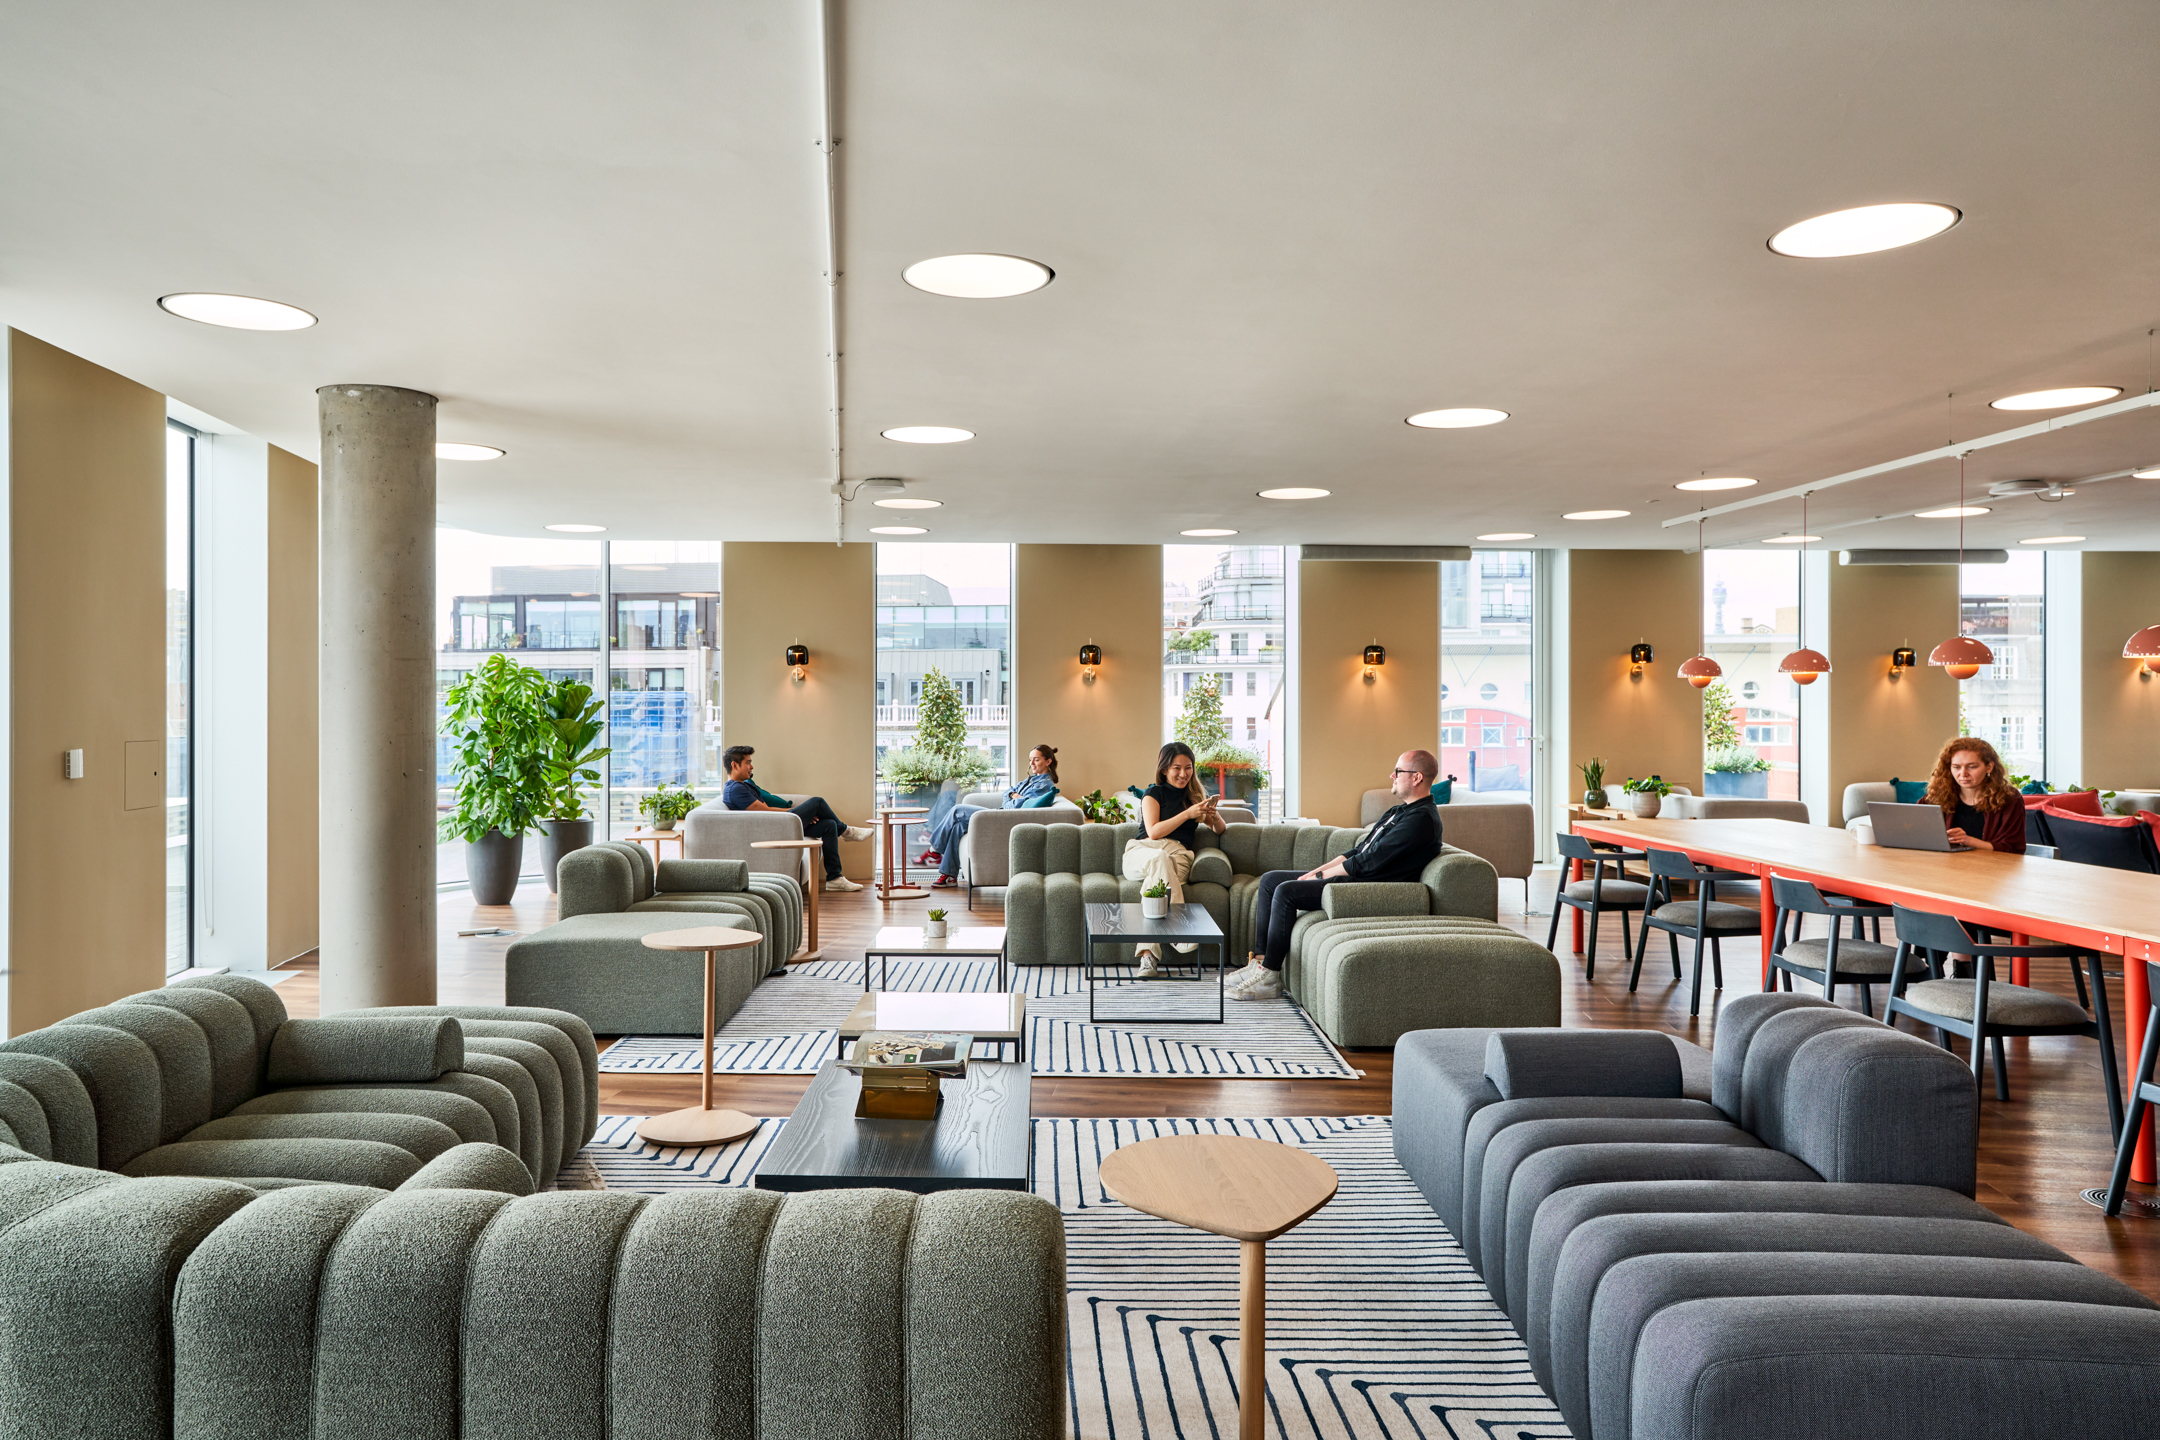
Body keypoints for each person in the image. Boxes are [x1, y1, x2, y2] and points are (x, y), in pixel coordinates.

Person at [1227, 749, 1444, 1001]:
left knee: (1286, 892)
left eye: (1397, 771)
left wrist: (1319, 877)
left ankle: (1270, 979)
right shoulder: (1398, 812)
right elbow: (1358, 850)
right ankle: (1261, 963)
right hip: (1358, 876)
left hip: (1366, 887)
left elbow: (1368, 862)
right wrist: (1315, 872)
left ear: (1416, 778)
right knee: (1270, 880)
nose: (1391, 775)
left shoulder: (1422, 820)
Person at [1124, 742, 1229, 978]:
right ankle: (1180, 930)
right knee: (1158, 858)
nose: (1183, 773)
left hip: (1177, 856)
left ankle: (1148, 957)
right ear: (1164, 769)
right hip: (1143, 851)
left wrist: (1213, 814)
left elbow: (1220, 830)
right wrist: (1188, 814)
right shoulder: (1153, 794)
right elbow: (1153, 832)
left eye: (1188, 768)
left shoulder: (1195, 798)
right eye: (1176, 768)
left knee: (1156, 881)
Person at [719, 744, 874, 892]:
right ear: (735, 765)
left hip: (777, 823)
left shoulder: (743, 785)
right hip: (775, 828)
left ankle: (835, 879)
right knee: (817, 802)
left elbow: (765, 809)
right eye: (748, 763)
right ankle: (847, 832)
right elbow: (765, 812)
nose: (751, 766)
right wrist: (796, 812)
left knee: (828, 825)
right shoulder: (735, 789)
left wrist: (800, 813)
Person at [921, 744, 1062, 889]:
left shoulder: (1044, 785)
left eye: (1036, 760)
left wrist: (1012, 799)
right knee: (958, 826)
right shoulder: (1032, 779)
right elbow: (1007, 793)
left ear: (1048, 761)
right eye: (1030, 759)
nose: (1031, 763)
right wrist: (1013, 796)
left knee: (957, 810)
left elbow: (1016, 806)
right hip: (1001, 814)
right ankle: (949, 876)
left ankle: (935, 849)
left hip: (1003, 819)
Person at [1927, 735, 2027, 854]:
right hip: (1945, 867)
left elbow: (2014, 849)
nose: (1963, 774)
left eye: (1972, 767)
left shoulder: (2009, 798)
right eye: (1956, 767)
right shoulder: (1937, 796)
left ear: (1989, 767)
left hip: (1992, 869)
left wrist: (1969, 841)